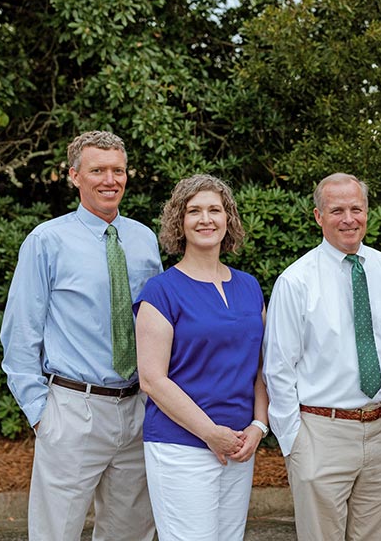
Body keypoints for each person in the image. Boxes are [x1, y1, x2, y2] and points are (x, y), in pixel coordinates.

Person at [0, 130, 160, 540]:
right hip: (72, 409)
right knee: (56, 532)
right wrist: (41, 414)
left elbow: (157, 324)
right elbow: (21, 332)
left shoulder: (144, 239)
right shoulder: (46, 241)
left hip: (138, 407)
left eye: (118, 170)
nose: (110, 179)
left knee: (130, 531)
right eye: (97, 170)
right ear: (74, 176)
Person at [263, 172, 381, 540]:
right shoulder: (295, 281)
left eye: (356, 209)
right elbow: (279, 367)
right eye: (337, 210)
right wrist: (294, 443)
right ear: (318, 216)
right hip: (320, 433)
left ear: (367, 212)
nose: (348, 219)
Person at [134, 174, 269, 540]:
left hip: (239, 444)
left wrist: (259, 426)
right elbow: (152, 379)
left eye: (215, 210)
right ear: (179, 221)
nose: (205, 219)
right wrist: (211, 433)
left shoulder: (249, 287)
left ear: (229, 220)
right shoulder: (160, 291)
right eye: (194, 211)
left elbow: (260, 368)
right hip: (181, 447)